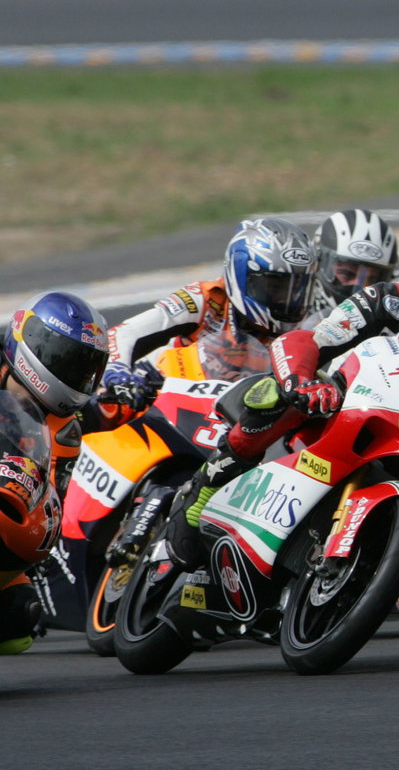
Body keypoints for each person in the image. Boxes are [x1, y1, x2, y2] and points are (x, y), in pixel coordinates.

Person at [163, 218, 399, 566]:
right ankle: (208, 483)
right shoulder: (386, 300)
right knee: (271, 394)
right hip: (340, 402)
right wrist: (300, 381)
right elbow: (311, 340)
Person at [95, 217, 317, 426]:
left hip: (234, 419)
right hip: (163, 399)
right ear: (243, 276)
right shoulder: (206, 298)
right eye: (275, 287)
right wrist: (118, 373)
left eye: (297, 288)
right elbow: (124, 332)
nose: (286, 299)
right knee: (106, 409)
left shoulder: (305, 328)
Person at [0, 291, 112, 654]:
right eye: (67, 360)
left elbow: (51, 497)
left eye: (87, 368)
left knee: (19, 617)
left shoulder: (66, 430)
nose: (78, 375)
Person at [306, 208, 399, 319]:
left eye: (372, 279)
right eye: (347, 274)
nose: (359, 288)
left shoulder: (395, 316)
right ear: (318, 263)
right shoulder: (294, 313)